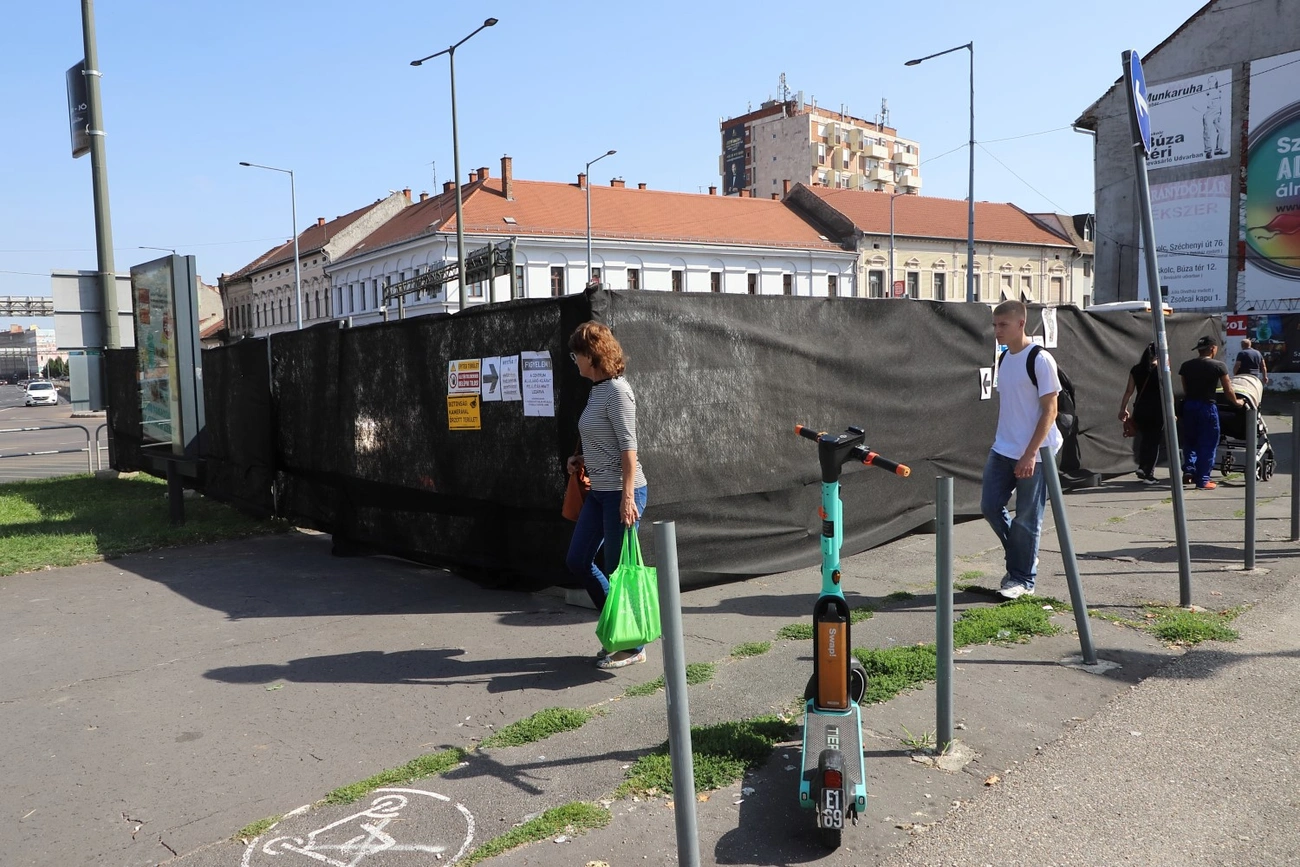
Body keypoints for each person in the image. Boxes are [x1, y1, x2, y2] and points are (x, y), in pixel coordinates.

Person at [564, 321, 649, 670]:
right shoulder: (597, 390)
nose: (575, 361)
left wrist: (627, 499)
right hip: (600, 492)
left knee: (618, 571)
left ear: (592, 355)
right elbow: (606, 441)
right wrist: (582, 459)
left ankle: (633, 646)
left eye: (577, 355)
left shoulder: (617, 391)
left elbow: (629, 449)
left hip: (621, 494)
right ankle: (618, 630)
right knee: (578, 560)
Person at [981, 300, 1062, 600]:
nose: (997, 331)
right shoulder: (1004, 358)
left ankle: (1022, 579)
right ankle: (1023, 557)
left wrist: (1030, 453)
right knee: (990, 506)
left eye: (1003, 325)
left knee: (1028, 518)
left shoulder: (1040, 359)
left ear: (1020, 324)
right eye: (994, 325)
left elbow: (1050, 410)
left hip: (1036, 454)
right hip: (1003, 447)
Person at [1179, 335, 1244, 491]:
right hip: (1207, 407)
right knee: (1207, 443)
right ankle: (1203, 480)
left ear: (1199, 350)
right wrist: (1237, 402)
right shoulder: (1219, 366)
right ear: (1213, 349)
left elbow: (1185, 388)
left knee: (1190, 440)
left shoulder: (1186, 366)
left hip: (1189, 406)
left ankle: (1189, 470)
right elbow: (1228, 390)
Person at [1118, 343, 1165, 484]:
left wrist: (1123, 409)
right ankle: (1148, 473)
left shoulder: (1136, 369)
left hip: (1140, 409)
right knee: (1154, 441)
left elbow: (1129, 391)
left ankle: (1142, 467)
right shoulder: (1161, 370)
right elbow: (1166, 392)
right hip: (1157, 410)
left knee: (1144, 439)